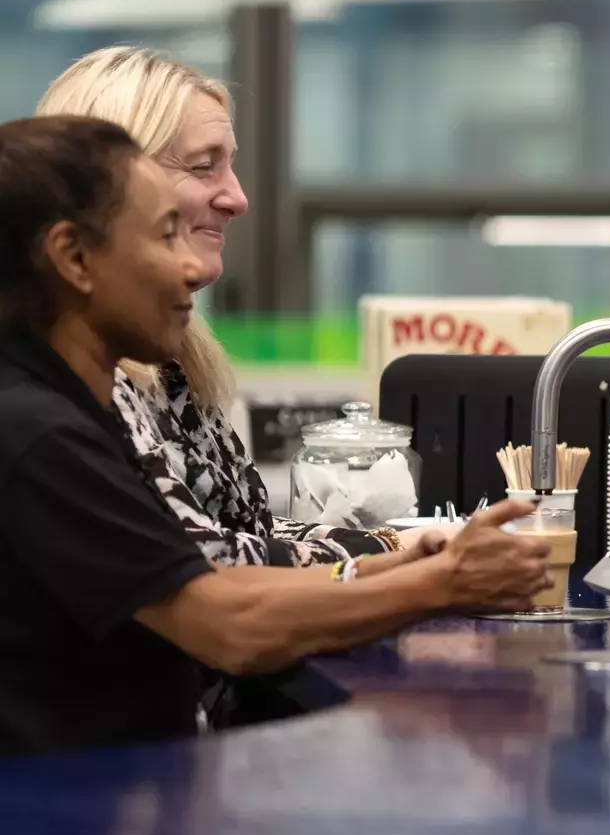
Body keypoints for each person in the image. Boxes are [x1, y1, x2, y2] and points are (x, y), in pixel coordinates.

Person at [0, 115, 549, 755]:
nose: (191, 267)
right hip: (65, 812)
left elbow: (207, 582)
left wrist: (400, 564)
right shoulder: (37, 435)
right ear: (74, 258)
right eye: (165, 235)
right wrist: (444, 585)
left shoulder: (74, 410)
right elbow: (227, 627)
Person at [35, 46, 407, 568]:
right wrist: (391, 551)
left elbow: (243, 532)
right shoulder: (75, 376)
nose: (238, 198)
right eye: (204, 166)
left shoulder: (171, 357)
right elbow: (201, 565)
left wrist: (406, 543)